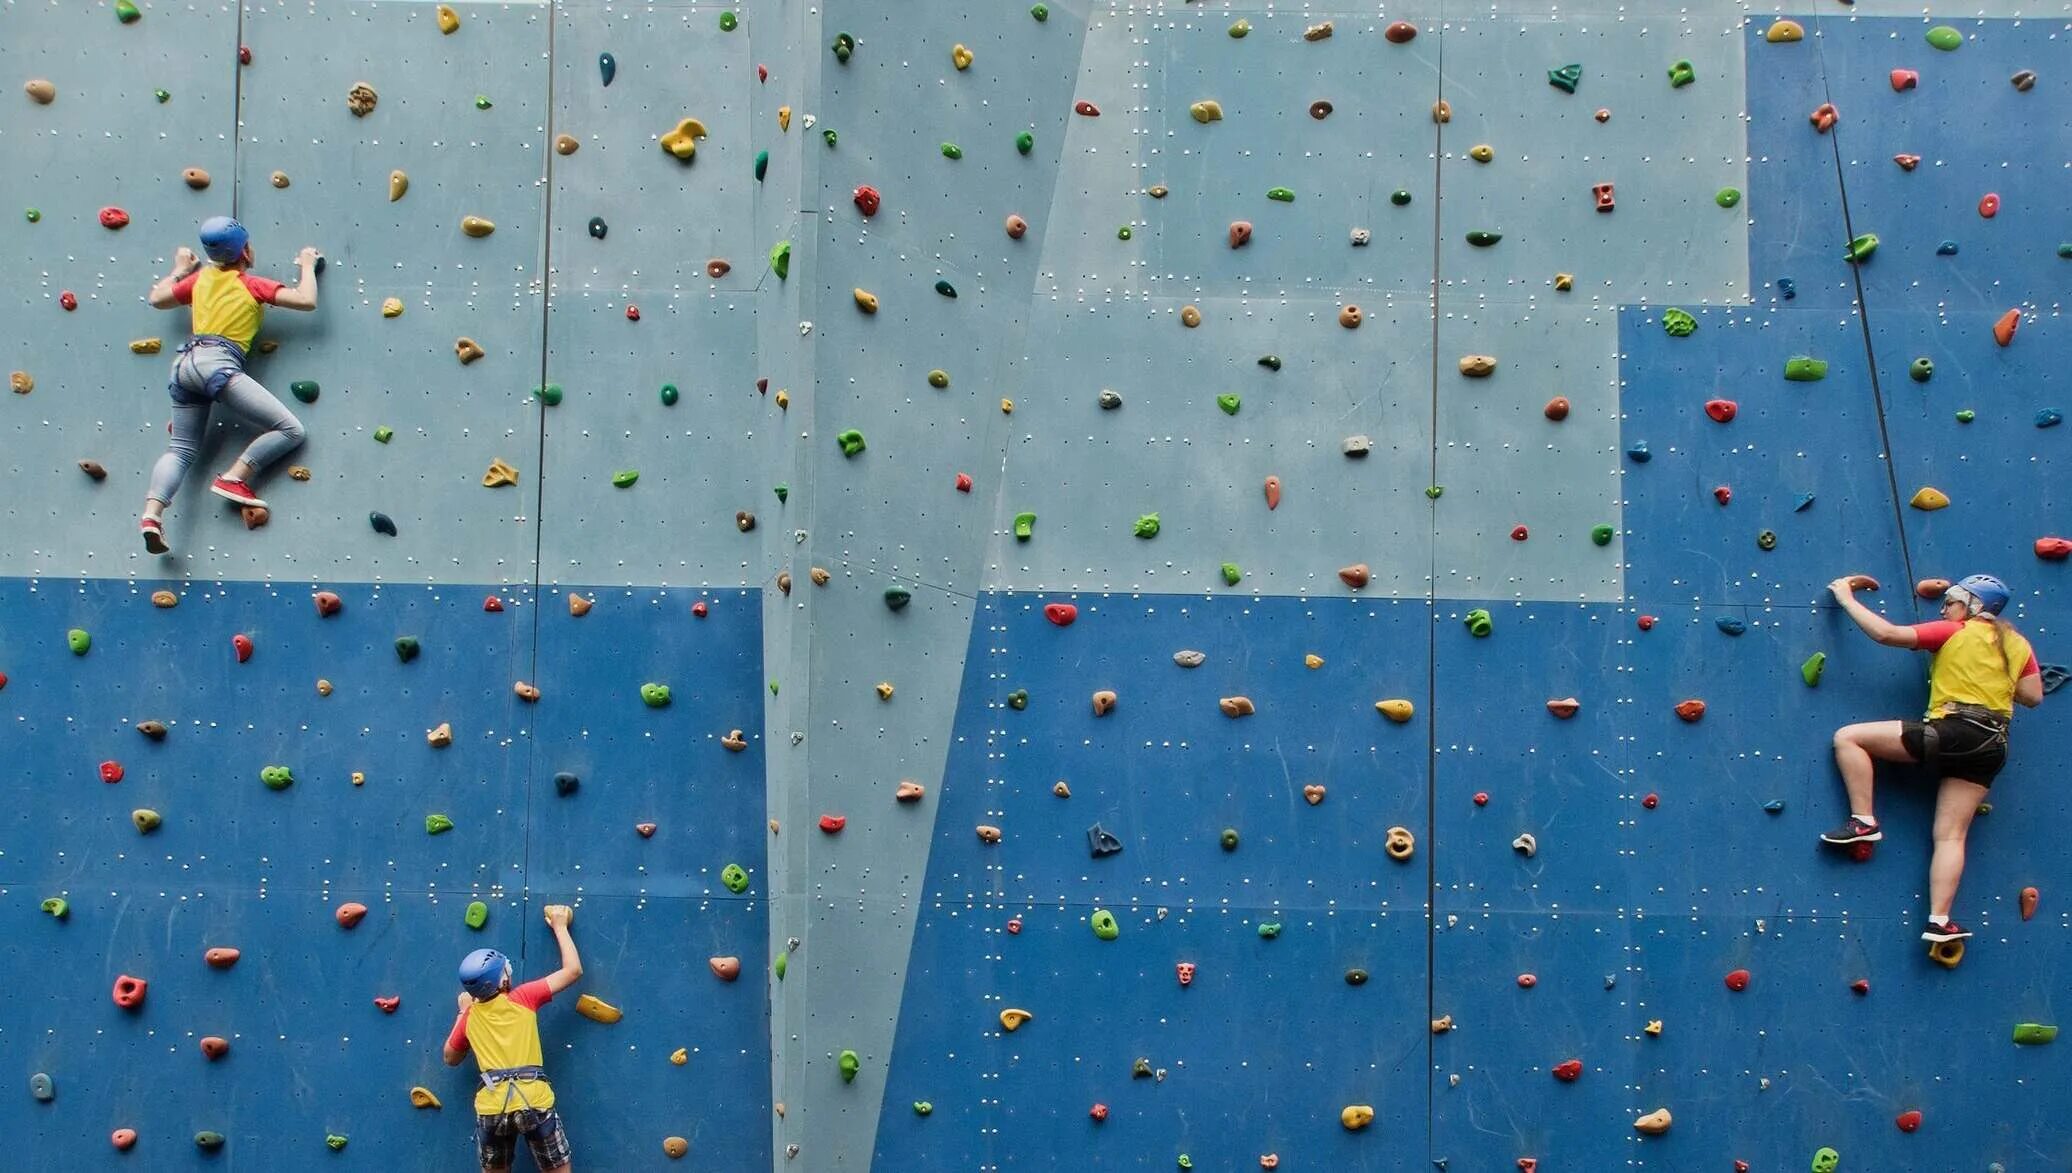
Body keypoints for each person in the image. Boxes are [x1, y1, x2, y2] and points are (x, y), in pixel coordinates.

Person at [1821, 574, 2042, 942]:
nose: (1944, 608)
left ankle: (1864, 821)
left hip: (1954, 729)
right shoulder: (2018, 645)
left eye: (1952, 601)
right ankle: (1939, 921)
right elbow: (2032, 696)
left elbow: (1887, 635)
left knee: (1849, 738)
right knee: (1951, 836)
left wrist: (1846, 598)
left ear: (1973, 606)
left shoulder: (1955, 631)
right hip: (1992, 745)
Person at [138, 216, 318, 554]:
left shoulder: (199, 280)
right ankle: (234, 478)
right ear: (246, 251)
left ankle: (151, 515)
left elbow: (157, 298)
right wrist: (307, 264)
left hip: (184, 365)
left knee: (180, 450)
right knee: (291, 430)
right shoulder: (251, 285)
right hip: (217, 364)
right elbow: (306, 300)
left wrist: (180, 268)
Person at [443, 905, 584, 1173]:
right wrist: (560, 926)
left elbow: (450, 1057)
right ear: (503, 978)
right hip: (533, 1100)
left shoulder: (470, 1015)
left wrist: (463, 1011)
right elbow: (573, 970)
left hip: (492, 1106)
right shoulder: (523, 997)